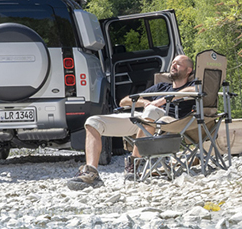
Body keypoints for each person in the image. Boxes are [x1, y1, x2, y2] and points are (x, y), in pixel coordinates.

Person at [66, 55, 197, 190]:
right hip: (145, 119)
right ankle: (91, 172)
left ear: (188, 70)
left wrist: (162, 100)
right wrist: (145, 102)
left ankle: (133, 163)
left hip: (170, 120)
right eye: (173, 63)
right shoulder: (161, 86)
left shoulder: (192, 85)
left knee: (151, 110)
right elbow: (125, 101)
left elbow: (196, 91)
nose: (173, 65)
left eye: (178, 64)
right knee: (93, 122)